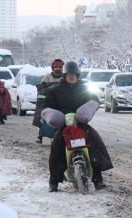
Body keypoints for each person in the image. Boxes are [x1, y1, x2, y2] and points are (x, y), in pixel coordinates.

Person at [42, 61, 113, 192]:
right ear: (64, 75)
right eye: (69, 74)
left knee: (94, 142)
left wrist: (93, 105)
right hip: (64, 124)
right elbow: (47, 104)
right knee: (56, 146)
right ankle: (54, 182)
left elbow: (95, 100)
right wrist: (51, 113)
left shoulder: (84, 89)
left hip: (81, 124)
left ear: (78, 75)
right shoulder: (55, 90)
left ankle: (98, 179)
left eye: (74, 74)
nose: (71, 76)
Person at [33, 59, 64, 143]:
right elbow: (41, 89)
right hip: (48, 100)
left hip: (61, 101)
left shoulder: (64, 77)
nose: (57, 69)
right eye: (56, 67)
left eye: (59, 67)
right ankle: (40, 136)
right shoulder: (47, 77)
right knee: (41, 115)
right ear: (52, 68)